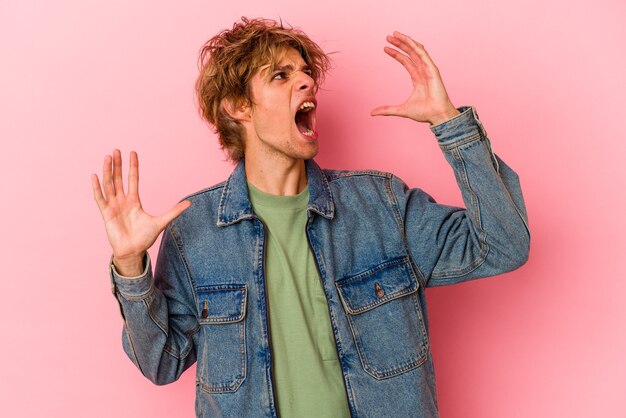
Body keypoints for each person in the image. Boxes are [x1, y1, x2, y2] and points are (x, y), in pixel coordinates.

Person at [91, 17, 530, 418]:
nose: (305, 82)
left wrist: (449, 123)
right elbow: (161, 362)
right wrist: (131, 267)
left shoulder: (381, 203)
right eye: (281, 76)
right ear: (236, 107)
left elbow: (503, 246)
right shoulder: (194, 230)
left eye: (306, 73)